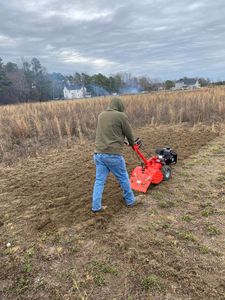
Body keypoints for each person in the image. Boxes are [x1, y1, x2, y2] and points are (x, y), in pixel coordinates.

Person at [92, 97, 136, 212]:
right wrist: (132, 144)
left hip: (98, 154)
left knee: (99, 181)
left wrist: (121, 140)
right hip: (113, 155)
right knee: (123, 177)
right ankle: (130, 201)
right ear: (119, 105)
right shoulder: (121, 116)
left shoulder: (101, 115)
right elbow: (129, 133)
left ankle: (96, 207)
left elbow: (108, 133)